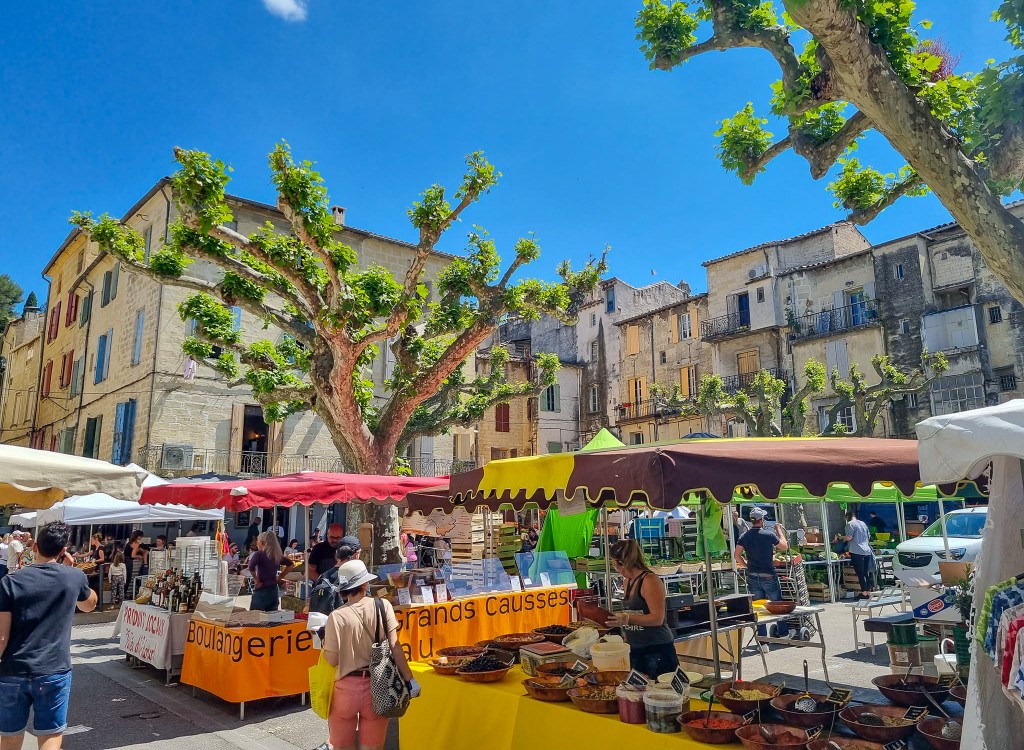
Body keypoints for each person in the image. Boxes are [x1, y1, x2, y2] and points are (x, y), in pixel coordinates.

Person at [0, 521, 98, 750]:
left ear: (34, 548)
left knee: (10, 738)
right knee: (51, 736)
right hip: (54, 669)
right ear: (63, 550)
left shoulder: (9, 582)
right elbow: (89, 605)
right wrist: (75, 569)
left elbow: (1, 638)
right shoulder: (73, 577)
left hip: (14, 669)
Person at [321, 559, 419, 750]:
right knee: (372, 747)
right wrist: (410, 680)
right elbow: (395, 647)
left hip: (345, 689)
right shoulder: (383, 606)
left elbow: (331, 660)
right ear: (365, 584)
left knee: (342, 746)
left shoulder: (337, 616)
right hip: (379, 685)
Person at [604, 539, 677, 678]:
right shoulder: (628, 581)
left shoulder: (650, 580)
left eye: (614, 563)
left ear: (622, 563)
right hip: (635, 648)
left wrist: (627, 619)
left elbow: (657, 618)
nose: (615, 568)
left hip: (657, 649)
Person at [733, 508, 788, 602]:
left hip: (753, 576)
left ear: (752, 520)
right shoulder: (769, 535)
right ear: (762, 519)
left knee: (758, 608)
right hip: (768, 575)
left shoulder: (744, 536)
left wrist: (746, 565)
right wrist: (778, 530)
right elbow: (784, 546)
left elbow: (736, 556)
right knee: (776, 605)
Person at [309, 537, 362, 617]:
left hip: (323, 626)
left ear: (337, 553)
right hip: (343, 625)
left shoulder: (323, 577)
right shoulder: (356, 578)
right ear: (356, 555)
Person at [248, 531, 293, 612]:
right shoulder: (276, 555)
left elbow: (251, 567)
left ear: (261, 542)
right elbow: (291, 564)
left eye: (257, 542)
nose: (257, 544)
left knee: (255, 618)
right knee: (272, 619)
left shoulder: (259, 554)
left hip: (261, 590)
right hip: (273, 591)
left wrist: (255, 579)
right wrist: (280, 576)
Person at [839, 511, 876, 597]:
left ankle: (864, 593)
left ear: (847, 517)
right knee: (865, 572)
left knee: (860, 573)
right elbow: (869, 536)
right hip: (867, 551)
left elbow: (849, 538)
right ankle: (868, 592)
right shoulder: (863, 523)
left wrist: (840, 537)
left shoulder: (850, 524)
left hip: (857, 551)